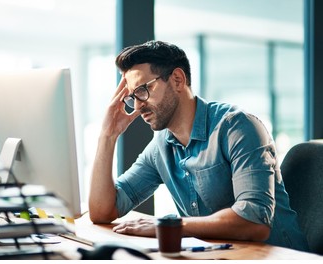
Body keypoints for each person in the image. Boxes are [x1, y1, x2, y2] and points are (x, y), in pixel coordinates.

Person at [88, 40, 308, 251]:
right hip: (220, 259)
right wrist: (108, 135)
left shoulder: (237, 128)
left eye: (143, 91)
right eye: (132, 97)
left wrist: (167, 227)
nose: (137, 106)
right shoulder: (161, 147)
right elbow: (103, 211)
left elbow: (254, 221)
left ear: (177, 79)